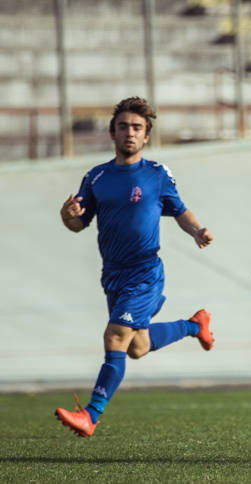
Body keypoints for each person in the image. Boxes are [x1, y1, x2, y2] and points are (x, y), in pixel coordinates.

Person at [55, 97, 215, 437]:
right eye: (124, 127)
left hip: (144, 273)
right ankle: (193, 325)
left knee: (114, 336)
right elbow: (78, 224)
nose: (130, 132)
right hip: (112, 274)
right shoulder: (96, 177)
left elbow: (180, 210)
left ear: (146, 136)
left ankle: (91, 415)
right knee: (137, 346)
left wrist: (197, 229)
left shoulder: (156, 175)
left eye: (137, 128)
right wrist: (67, 216)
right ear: (113, 133)